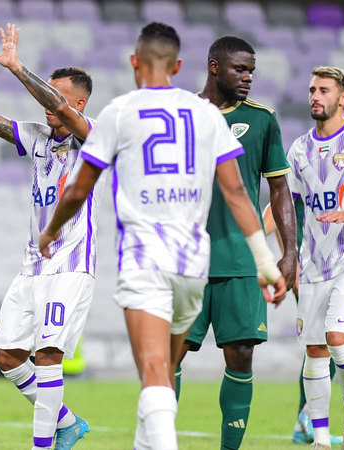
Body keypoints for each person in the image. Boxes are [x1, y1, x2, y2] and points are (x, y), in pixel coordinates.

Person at [38, 22, 286, 449]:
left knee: (155, 371)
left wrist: (51, 229)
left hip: (146, 258)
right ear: (178, 66)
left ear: (135, 62)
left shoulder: (120, 112)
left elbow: (78, 189)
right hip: (194, 263)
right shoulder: (206, 115)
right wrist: (265, 261)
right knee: (166, 368)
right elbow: (237, 192)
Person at [0, 23, 99, 450]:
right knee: (7, 357)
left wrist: (16, 68)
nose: (46, 101)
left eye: (56, 94)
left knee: (48, 355)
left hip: (71, 263)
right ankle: (66, 423)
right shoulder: (37, 137)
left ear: (78, 103)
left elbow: (60, 109)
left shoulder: (93, 135)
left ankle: (42, 445)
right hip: (32, 266)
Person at [172, 36, 298, 450]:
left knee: (241, 353)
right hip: (186, 258)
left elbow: (279, 189)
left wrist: (290, 253)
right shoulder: (181, 114)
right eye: (239, 69)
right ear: (214, 67)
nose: (247, 78)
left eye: (251, 71)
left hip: (242, 259)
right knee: (170, 353)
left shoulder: (262, 119)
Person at [262, 90, 344, 446]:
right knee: (316, 348)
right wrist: (275, 258)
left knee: (335, 340)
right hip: (309, 266)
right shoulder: (305, 155)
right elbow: (280, 209)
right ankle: (310, 424)